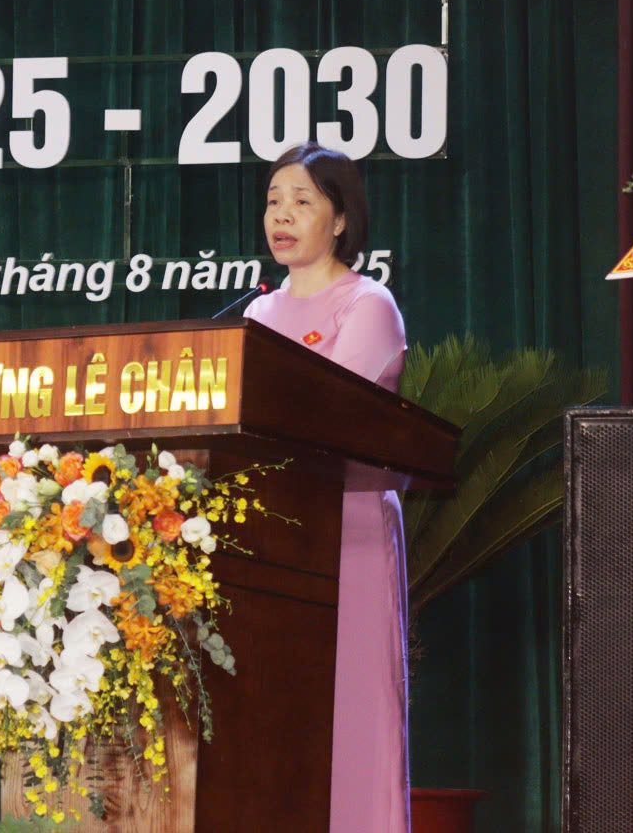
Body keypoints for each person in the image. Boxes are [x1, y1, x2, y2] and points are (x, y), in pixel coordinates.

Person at [244, 141, 409, 833]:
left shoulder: (369, 305)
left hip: (349, 534)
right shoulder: (254, 317)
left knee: (352, 712)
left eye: (302, 201)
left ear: (340, 219)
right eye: (273, 201)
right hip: (268, 541)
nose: (281, 215)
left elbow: (330, 419)